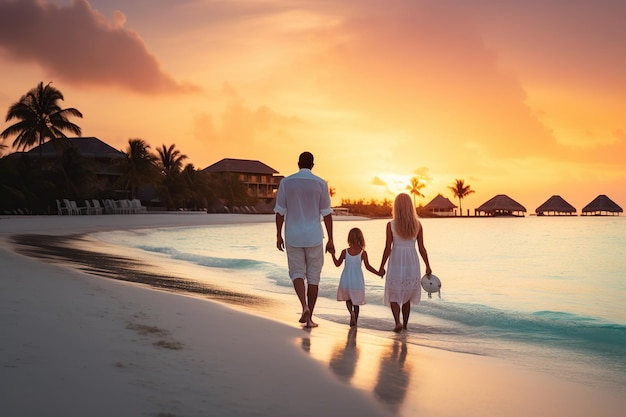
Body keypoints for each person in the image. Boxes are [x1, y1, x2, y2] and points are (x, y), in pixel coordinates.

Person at [275, 151, 334, 328]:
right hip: (314, 236)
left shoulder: (286, 182)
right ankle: (309, 319)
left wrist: (278, 235)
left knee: (297, 273)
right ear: (313, 165)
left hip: (293, 235)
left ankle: (304, 306)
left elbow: (280, 211)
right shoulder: (321, 184)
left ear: (298, 164)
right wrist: (331, 239)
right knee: (314, 277)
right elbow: (327, 214)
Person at [379, 193, 432, 332]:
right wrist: (427, 265)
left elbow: (387, 247)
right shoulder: (417, 224)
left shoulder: (391, 225)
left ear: (396, 207)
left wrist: (381, 266)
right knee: (407, 295)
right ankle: (406, 325)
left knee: (394, 293)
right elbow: (421, 248)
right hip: (411, 261)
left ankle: (397, 322)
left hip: (396, 259)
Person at [331, 228, 380, 327]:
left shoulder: (345, 252)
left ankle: (351, 313)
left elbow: (337, 264)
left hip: (346, 278)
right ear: (361, 238)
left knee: (348, 299)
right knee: (356, 302)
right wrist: (378, 273)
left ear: (349, 239)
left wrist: (332, 254)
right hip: (357, 279)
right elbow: (368, 267)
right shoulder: (363, 252)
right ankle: (355, 321)